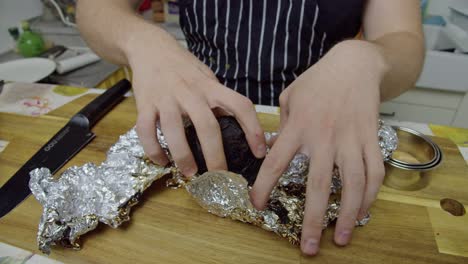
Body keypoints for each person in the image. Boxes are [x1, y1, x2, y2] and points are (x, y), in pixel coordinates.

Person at [77, 0, 424, 256]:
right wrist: (140, 40)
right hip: (200, 106)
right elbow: (95, 10)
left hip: (324, 119)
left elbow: (404, 38)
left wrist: (365, 58)